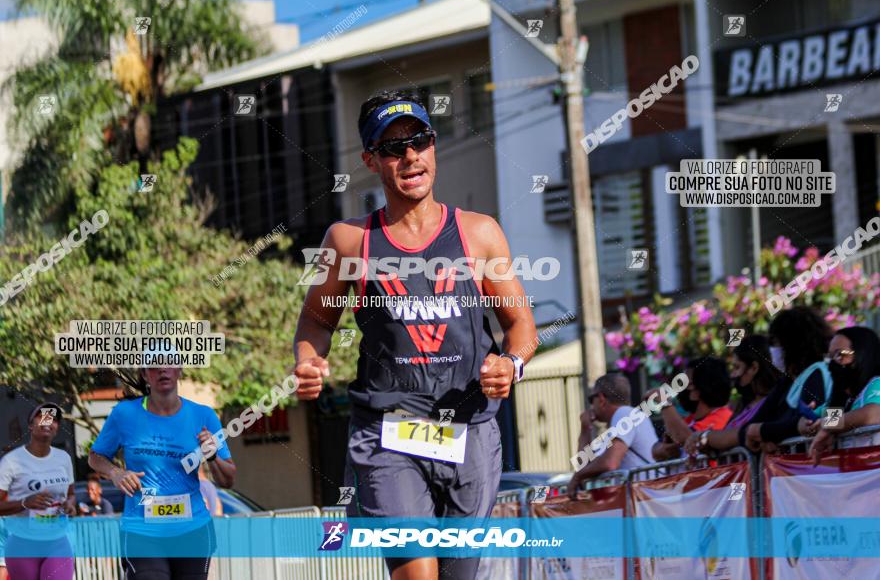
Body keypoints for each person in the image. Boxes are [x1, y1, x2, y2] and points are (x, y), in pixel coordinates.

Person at [293, 90, 537, 580]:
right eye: (391, 147)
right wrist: (307, 358)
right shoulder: (349, 240)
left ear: (433, 147)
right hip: (388, 434)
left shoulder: (479, 233)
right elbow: (318, 321)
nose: (409, 155)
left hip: (470, 432)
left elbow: (520, 326)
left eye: (419, 140)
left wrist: (511, 364)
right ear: (371, 161)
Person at [89, 356, 236, 580]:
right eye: (154, 367)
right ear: (145, 374)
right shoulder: (125, 414)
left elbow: (228, 479)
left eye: (168, 364)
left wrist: (213, 455)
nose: (162, 371)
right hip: (142, 530)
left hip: (192, 531)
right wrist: (115, 472)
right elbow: (95, 457)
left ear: (179, 370)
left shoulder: (203, 415)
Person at [0, 403, 76, 580]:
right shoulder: (11, 461)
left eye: (53, 419)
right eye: (41, 417)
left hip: (57, 542)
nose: (47, 422)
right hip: (23, 545)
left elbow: (71, 494)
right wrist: (24, 503)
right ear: (30, 425)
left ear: (57, 428)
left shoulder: (63, 459)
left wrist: (70, 505)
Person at [742, 307, 832, 452]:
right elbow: (750, 428)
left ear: (792, 344)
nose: (771, 349)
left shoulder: (818, 374)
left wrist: (764, 431)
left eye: (775, 342)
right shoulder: (788, 382)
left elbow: (809, 423)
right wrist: (766, 434)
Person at [566, 373, 658, 499]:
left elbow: (610, 463)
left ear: (601, 398)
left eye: (591, 399)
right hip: (640, 498)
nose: (591, 406)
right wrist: (585, 428)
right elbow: (584, 464)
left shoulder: (624, 414)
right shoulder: (621, 421)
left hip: (645, 499)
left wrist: (577, 477)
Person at [683, 335, 779, 455]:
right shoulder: (743, 404)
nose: (733, 375)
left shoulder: (776, 401)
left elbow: (745, 434)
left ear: (754, 368)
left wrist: (704, 437)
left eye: (737, 367)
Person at [807, 326, 880, 464]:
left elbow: (874, 413)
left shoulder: (876, 383)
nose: (832, 363)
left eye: (840, 354)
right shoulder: (845, 399)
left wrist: (828, 425)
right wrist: (807, 425)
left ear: (863, 354)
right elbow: (810, 418)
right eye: (830, 357)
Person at [651, 357, 733, 460]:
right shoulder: (689, 420)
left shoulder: (723, 416)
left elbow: (685, 438)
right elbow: (656, 450)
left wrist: (664, 402)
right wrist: (663, 449)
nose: (684, 386)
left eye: (688, 381)